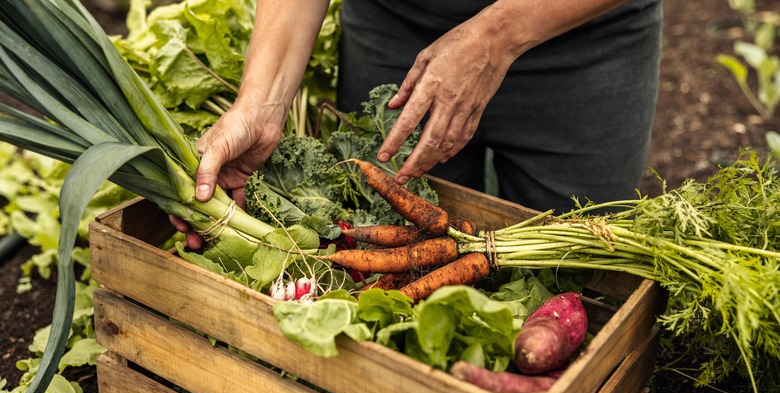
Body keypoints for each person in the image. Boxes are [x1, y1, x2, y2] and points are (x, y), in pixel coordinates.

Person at [172, 0, 663, 249]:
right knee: (399, 244)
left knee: (577, 274)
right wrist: (263, 102)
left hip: (583, 37)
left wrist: (496, 36)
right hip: (397, 28)